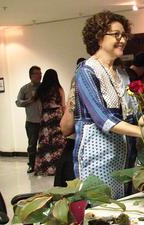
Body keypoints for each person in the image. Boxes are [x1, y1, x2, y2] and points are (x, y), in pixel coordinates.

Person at [74, 11, 144, 199]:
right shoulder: (86, 71)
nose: (122, 40)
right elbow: (102, 118)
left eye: (124, 35)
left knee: (125, 208)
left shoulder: (122, 74)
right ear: (99, 38)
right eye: (116, 35)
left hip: (126, 158)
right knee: (102, 211)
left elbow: (134, 114)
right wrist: (143, 133)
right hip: (99, 159)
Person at [54, 58, 85, 186]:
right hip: (75, 150)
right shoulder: (82, 77)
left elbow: (66, 128)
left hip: (78, 150)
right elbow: (66, 128)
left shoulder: (80, 76)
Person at [34, 69, 66, 176]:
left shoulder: (41, 89)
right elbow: (63, 105)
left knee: (45, 142)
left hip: (45, 117)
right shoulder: (58, 89)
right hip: (56, 116)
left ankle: (44, 168)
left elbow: (37, 104)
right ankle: (58, 168)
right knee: (57, 142)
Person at [15, 66, 42, 173]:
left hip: (44, 121)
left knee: (45, 144)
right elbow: (18, 102)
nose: (40, 75)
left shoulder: (44, 87)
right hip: (32, 122)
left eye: (40, 73)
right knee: (32, 145)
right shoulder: (25, 89)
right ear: (31, 75)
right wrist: (29, 100)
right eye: (37, 73)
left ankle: (43, 164)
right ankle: (31, 165)